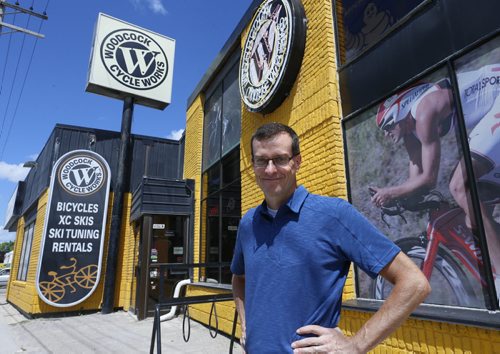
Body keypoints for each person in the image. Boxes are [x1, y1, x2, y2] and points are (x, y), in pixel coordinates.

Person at [231, 122, 431, 353]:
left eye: (280, 159)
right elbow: (240, 278)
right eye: (261, 160)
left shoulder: (333, 215)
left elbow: (414, 283)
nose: (269, 169)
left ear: (296, 162)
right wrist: (246, 325)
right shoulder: (248, 223)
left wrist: (356, 344)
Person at [370, 64, 500, 292]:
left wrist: (391, 192)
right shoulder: (410, 132)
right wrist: (396, 198)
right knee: (473, 214)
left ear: (401, 114)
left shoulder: (424, 113)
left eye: (388, 126)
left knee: (460, 186)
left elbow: (428, 178)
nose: (386, 134)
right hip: (490, 109)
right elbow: (415, 181)